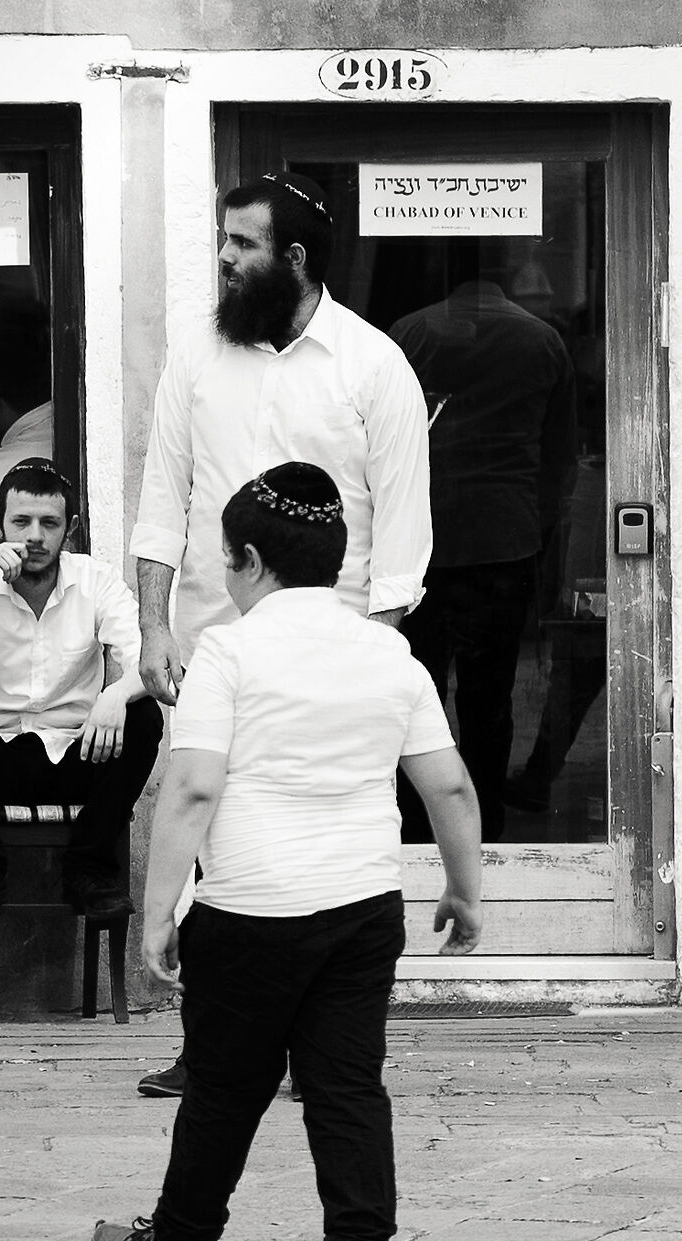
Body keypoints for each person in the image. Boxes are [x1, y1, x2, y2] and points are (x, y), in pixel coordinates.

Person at [89, 463, 483, 1241]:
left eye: (228, 561)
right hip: (363, 907)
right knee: (348, 1087)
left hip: (251, 912)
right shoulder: (388, 652)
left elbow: (191, 791)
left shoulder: (229, 651)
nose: (226, 577)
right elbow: (448, 788)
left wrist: (158, 914)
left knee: (226, 1089)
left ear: (253, 561)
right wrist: (463, 889)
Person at [129, 172, 432, 1099]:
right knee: (209, 829)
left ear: (293, 260)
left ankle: (321, 1050)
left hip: (330, 653)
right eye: (222, 241)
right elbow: (161, 502)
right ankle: (210, 1043)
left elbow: (404, 542)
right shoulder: (196, 357)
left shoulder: (374, 365)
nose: (223, 260)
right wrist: (150, 625)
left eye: (242, 245)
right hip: (211, 646)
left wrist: (365, 655)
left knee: (325, 834)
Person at [388, 258, 576, 843]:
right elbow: (560, 458)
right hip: (504, 541)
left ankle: (419, 834)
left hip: (423, 545)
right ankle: (486, 829)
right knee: (490, 700)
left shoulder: (410, 334)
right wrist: (533, 529)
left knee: (415, 696)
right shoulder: (543, 339)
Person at [0, 459, 159, 920]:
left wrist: (114, 696)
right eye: (21, 521)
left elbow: (151, 668)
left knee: (143, 714)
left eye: (49, 523)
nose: (34, 536)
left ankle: (88, 869)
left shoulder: (96, 581)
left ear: (69, 528)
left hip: (78, 756)